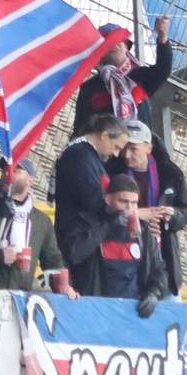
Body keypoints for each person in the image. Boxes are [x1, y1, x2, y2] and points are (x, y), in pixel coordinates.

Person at [0, 160, 72, 294]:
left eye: (16, 170)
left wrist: (65, 287)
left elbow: (53, 260)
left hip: (21, 300)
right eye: (5, 169)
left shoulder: (42, 221)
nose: (8, 173)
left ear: (31, 180)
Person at [63, 175, 169, 314]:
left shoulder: (142, 231)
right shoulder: (88, 224)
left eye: (134, 203)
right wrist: (109, 225)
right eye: (123, 202)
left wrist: (153, 293)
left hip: (131, 311)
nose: (130, 208)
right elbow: (74, 253)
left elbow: (160, 269)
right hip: (95, 309)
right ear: (108, 199)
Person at [113, 119, 187, 292]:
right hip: (122, 253)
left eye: (133, 149)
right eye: (125, 148)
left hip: (163, 252)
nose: (127, 155)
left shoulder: (170, 174)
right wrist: (138, 217)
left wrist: (169, 217)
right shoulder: (112, 170)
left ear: (148, 148)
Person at [53, 114, 129, 283]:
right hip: (77, 238)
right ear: (104, 135)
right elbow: (93, 201)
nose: (116, 154)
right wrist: (118, 212)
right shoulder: (78, 155)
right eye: (116, 147)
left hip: (87, 238)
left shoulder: (89, 157)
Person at [74, 15, 176, 130]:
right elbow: (80, 128)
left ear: (126, 47)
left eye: (119, 41)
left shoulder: (140, 76)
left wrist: (162, 37)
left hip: (139, 145)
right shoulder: (90, 88)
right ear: (100, 54)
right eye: (109, 42)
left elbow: (163, 70)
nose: (115, 45)